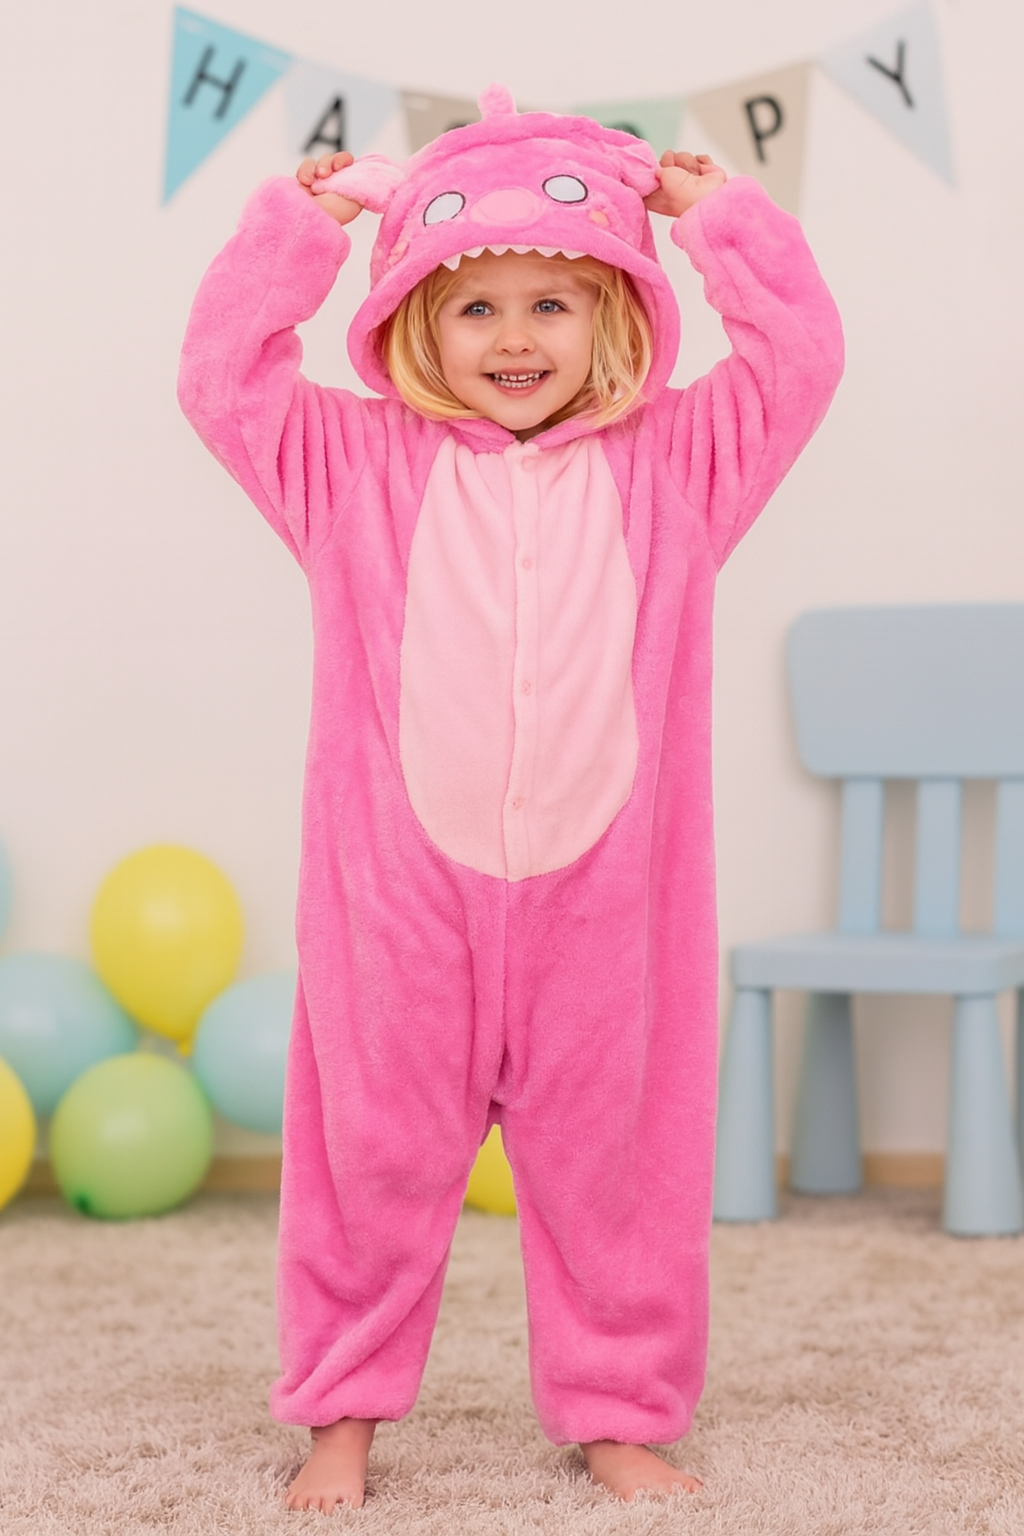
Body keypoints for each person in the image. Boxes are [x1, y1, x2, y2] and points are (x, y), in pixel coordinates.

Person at [178, 84, 843, 1513]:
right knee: (368, 1160)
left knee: (620, 1168)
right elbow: (223, 377)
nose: (516, 338)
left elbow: (798, 358)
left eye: (554, 304)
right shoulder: (352, 465)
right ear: (415, 323)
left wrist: (718, 218)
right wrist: (299, 227)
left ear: (619, 316)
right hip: (396, 899)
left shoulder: (679, 464)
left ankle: (618, 1412)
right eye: (475, 308)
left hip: (609, 904)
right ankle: (340, 1414)